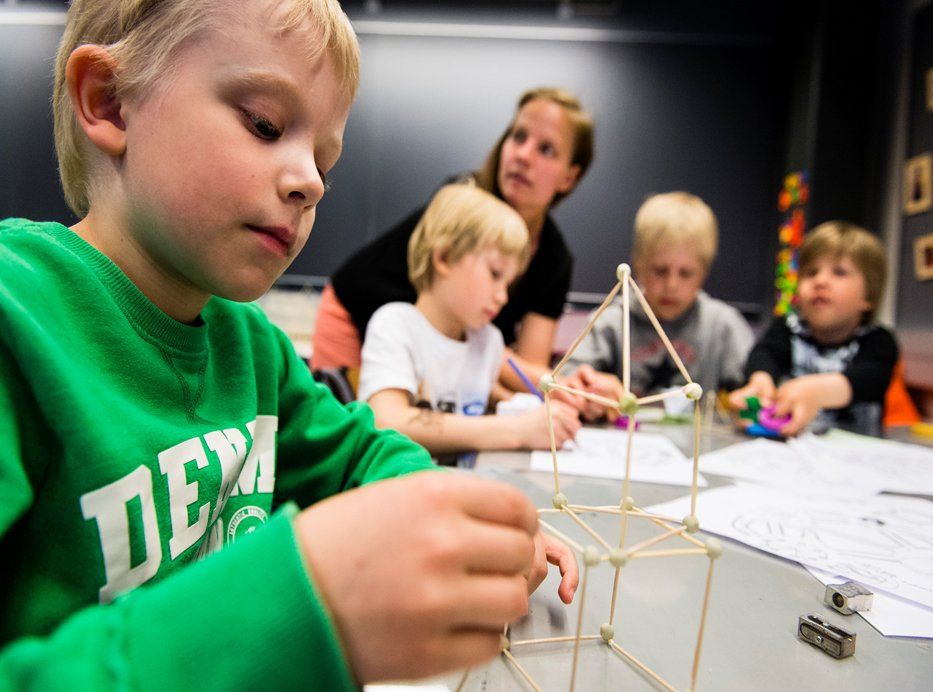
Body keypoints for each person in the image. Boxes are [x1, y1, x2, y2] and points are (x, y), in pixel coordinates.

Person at [0, 1, 578, 688]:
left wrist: (452, 512)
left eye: (325, 163)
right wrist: (303, 601)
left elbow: (360, 451)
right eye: (265, 125)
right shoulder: (17, 319)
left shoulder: (251, 346)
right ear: (111, 102)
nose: (310, 183)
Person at [311, 86, 595, 393]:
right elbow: (495, 361)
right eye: (518, 136)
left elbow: (524, 370)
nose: (523, 155)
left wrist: (571, 390)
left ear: (569, 177)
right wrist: (558, 388)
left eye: (546, 149)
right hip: (355, 318)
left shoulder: (554, 259)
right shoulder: (461, 201)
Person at [358, 183, 582, 457]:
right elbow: (387, 421)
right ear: (444, 257)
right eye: (495, 274)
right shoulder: (395, 326)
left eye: (508, 284)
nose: (502, 297)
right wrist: (515, 430)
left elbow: (488, 398)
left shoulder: (488, 341)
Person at [563, 192, 754, 418]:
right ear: (639, 265)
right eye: (660, 271)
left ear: (703, 273)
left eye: (686, 273)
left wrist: (751, 396)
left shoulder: (723, 326)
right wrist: (588, 385)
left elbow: (757, 387)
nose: (672, 285)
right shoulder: (612, 320)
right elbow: (566, 379)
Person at [729, 221, 899, 437]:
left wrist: (817, 391)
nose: (820, 281)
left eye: (839, 272)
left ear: (869, 296)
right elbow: (765, 354)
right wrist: (760, 381)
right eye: (811, 272)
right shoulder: (787, 328)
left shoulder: (878, 341)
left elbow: (870, 379)